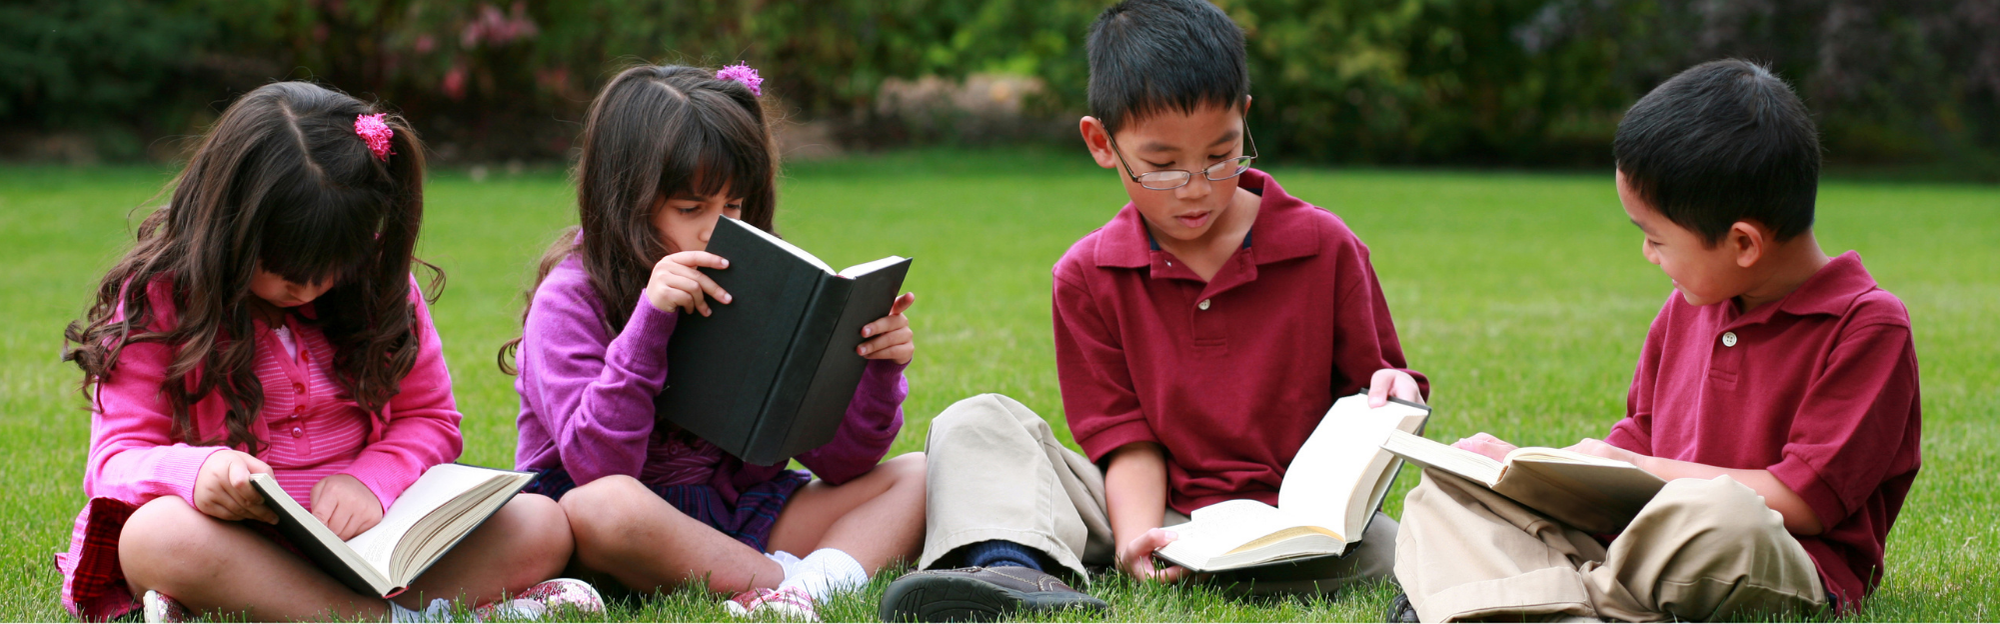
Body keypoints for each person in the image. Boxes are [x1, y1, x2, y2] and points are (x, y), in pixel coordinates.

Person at [879, 1, 1428, 620]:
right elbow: (1126, 440)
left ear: (1244, 120)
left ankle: (1277, 574)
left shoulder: (1326, 246)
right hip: (1148, 513)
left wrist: (1394, 389)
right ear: (1101, 143)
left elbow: (1377, 399)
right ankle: (1014, 570)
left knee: (1399, 541)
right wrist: (1139, 541)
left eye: (1220, 157)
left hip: (1293, 531)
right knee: (974, 421)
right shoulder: (1087, 274)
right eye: (1163, 166)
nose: (1196, 187)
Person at [1390, 59, 1922, 622]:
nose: (1647, 255)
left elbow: (1801, 503)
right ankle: (1561, 605)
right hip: (1634, 546)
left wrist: (1630, 467)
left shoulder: (1867, 327)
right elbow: (1638, 439)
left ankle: (1498, 600)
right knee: (1450, 486)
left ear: (1743, 243)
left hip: (1774, 556)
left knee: (1721, 515)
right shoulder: (1687, 307)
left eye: (1654, 237)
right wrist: (1527, 469)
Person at [55, 81, 598, 623]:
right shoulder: (161, 299)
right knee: (155, 537)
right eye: (290, 270)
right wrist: (199, 472)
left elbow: (431, 419)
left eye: (334, 266)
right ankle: (398, 618)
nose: (311, 289)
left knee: (542, 523)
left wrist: (372, 479)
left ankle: (314, 613)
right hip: (240, 545)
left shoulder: (380, 289)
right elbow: (115, 460)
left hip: (372, 543)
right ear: (229, 227)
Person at [503, 63, 926, 623]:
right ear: (623, 200)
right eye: (690, 209)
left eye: (732, 207)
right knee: (605, 507)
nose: (714, 229)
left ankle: (810, 589)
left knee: (919, 474)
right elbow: (599, 466)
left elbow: (844, 463)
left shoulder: (748, 279)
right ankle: (793, 586)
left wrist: (873, 369)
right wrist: (650, 321)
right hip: (623, 526)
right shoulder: (570, 299)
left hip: (740, 512)